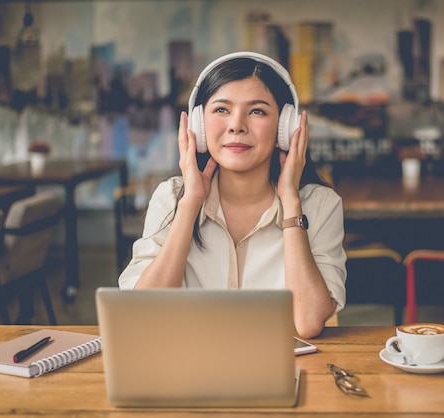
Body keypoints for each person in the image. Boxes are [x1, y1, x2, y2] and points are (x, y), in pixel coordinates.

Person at [118, 52, 347, 338]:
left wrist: (290, 202)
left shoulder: (319, 204)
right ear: (199, 126)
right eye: (221, 110)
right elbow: (145, 314)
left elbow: (307, 322)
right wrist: (190, 204)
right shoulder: (172, 197)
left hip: (281, 372)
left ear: (285, 128)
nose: (236, 125)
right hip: (187, 372)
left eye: (257, 111)